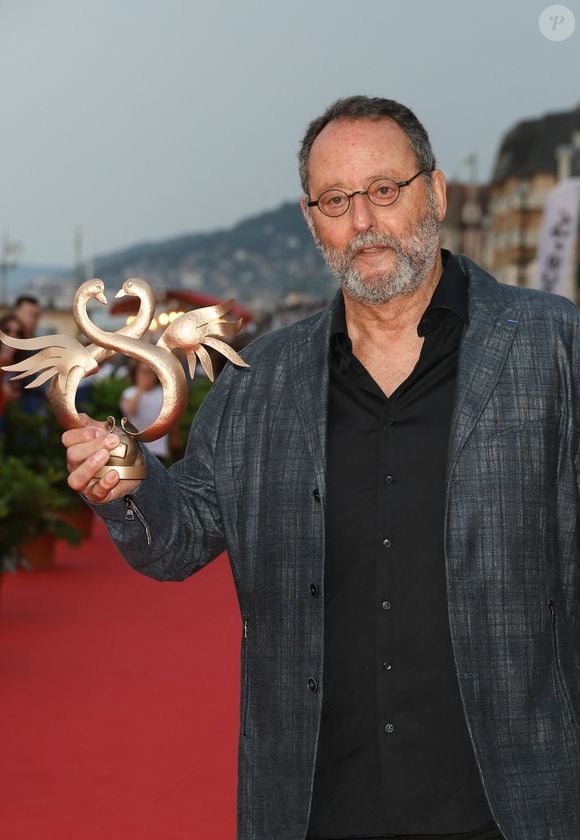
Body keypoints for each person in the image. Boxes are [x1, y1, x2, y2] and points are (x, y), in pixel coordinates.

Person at [62, 96, 579, 840]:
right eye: (336, 200)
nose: (363, 221)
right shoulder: (259, 376)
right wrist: (130, 479)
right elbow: (184, 537)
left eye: (384, 190)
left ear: (432, 192)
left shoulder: (551, 346)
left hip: (515, 801)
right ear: (312, 221)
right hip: (318, 806)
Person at [119, 360, 169, 461]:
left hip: (158, 450)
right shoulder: (129, 393)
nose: (147, 375)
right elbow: (130, 409)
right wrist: (141, 388)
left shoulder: (164, 394)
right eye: (144, 371)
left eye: (151, 372)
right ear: (136, 373)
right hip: (136, 448)